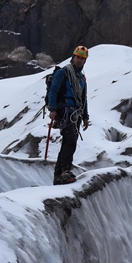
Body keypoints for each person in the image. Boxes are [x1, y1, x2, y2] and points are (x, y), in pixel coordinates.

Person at [47, 45, 90, 184]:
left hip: (75, 113)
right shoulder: (64, 72)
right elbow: (53, 91)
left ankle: (58, 174)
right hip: (65, 112)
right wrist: (52, 109)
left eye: (82, 58)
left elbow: (83, 98)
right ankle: (65, 171)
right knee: (70, 139)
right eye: (78, 57)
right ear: (73, 56)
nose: (80, 60)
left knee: (69, 141)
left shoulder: (82, 78)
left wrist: (85, 116)